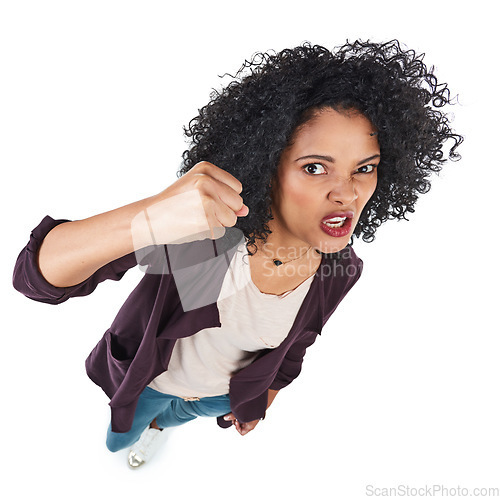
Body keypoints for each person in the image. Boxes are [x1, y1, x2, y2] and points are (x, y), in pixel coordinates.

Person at [12, 40, 463, 468]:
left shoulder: (340, 268)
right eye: (314, 167)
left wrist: (263, 396)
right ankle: (138, 436)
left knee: (174, 419)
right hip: (148, 380)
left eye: (364, 168)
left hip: (219, 397)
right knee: (120, 438)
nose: (346, 193)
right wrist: (151, 215)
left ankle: (160, 430)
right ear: (267, 165)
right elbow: (35, 279)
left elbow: (299, 342)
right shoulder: (207, 241)